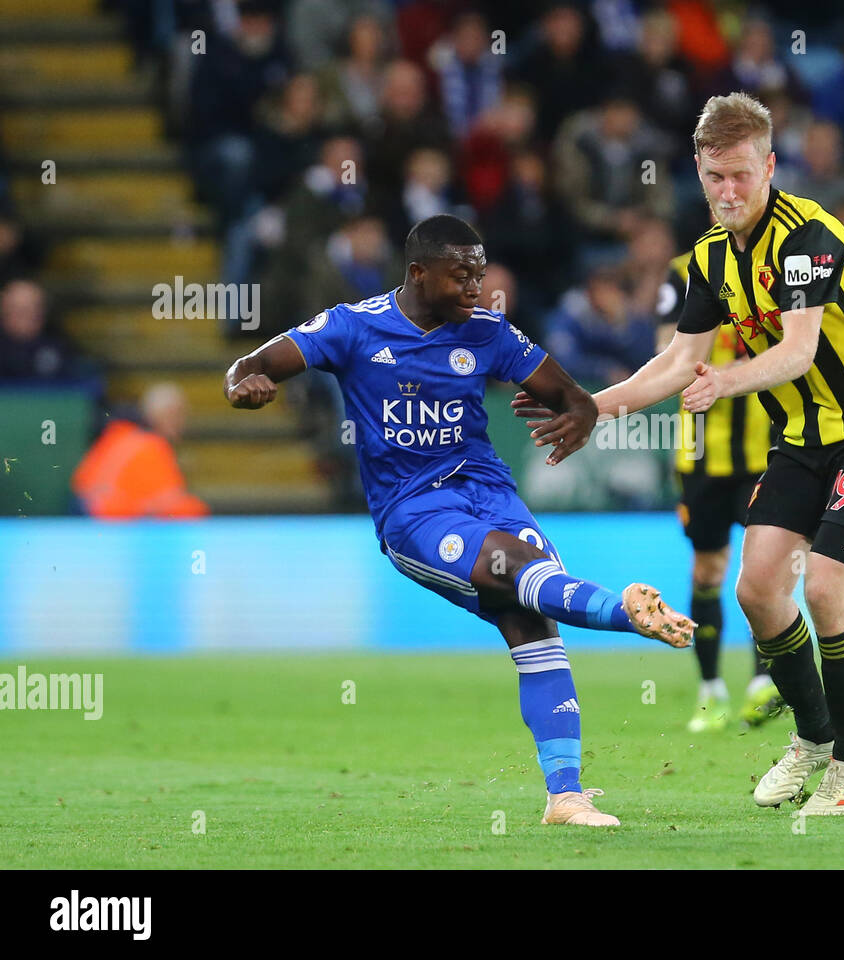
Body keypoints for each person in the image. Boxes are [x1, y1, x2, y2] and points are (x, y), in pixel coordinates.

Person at [518, 94, 844, 815]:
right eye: (714, 177)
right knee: (756, 590)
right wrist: (591, 404)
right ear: (699, 173)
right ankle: (814, 740)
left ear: (769, 166)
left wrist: (725, 384)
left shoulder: (810, 240)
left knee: (827, 589)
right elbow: (677, 362)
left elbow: (797, 352)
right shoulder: (709, 257)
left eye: (741, 174)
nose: (728, 192)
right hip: (803, 440)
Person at [223, 214, 694, 828]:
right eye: (461, 275)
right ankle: (624, 609)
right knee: (520, 570)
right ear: (419, 274)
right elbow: (249, 365)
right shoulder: (352, 327)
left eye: (479, 272)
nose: (476, 287)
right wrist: (247, 384)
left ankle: (566, 796)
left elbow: (571, 396)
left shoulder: (489, 333)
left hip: (489, 492)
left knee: (535, 625)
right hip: (415, 511)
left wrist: (579, 417)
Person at [657, 243, 780, 733]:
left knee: (764, 565)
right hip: (700, 455)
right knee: (708, 568)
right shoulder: (682, 272)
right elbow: (668, 352)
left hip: (765, 450)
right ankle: (710, 691)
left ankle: (764, 682)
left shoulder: (773, 266)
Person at [71, 383, 209, 518]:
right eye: (175, 413)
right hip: (103, 523)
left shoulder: (119, 434)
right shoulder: (151, 446)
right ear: (158, 415)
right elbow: (176, 506)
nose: (180, 421)